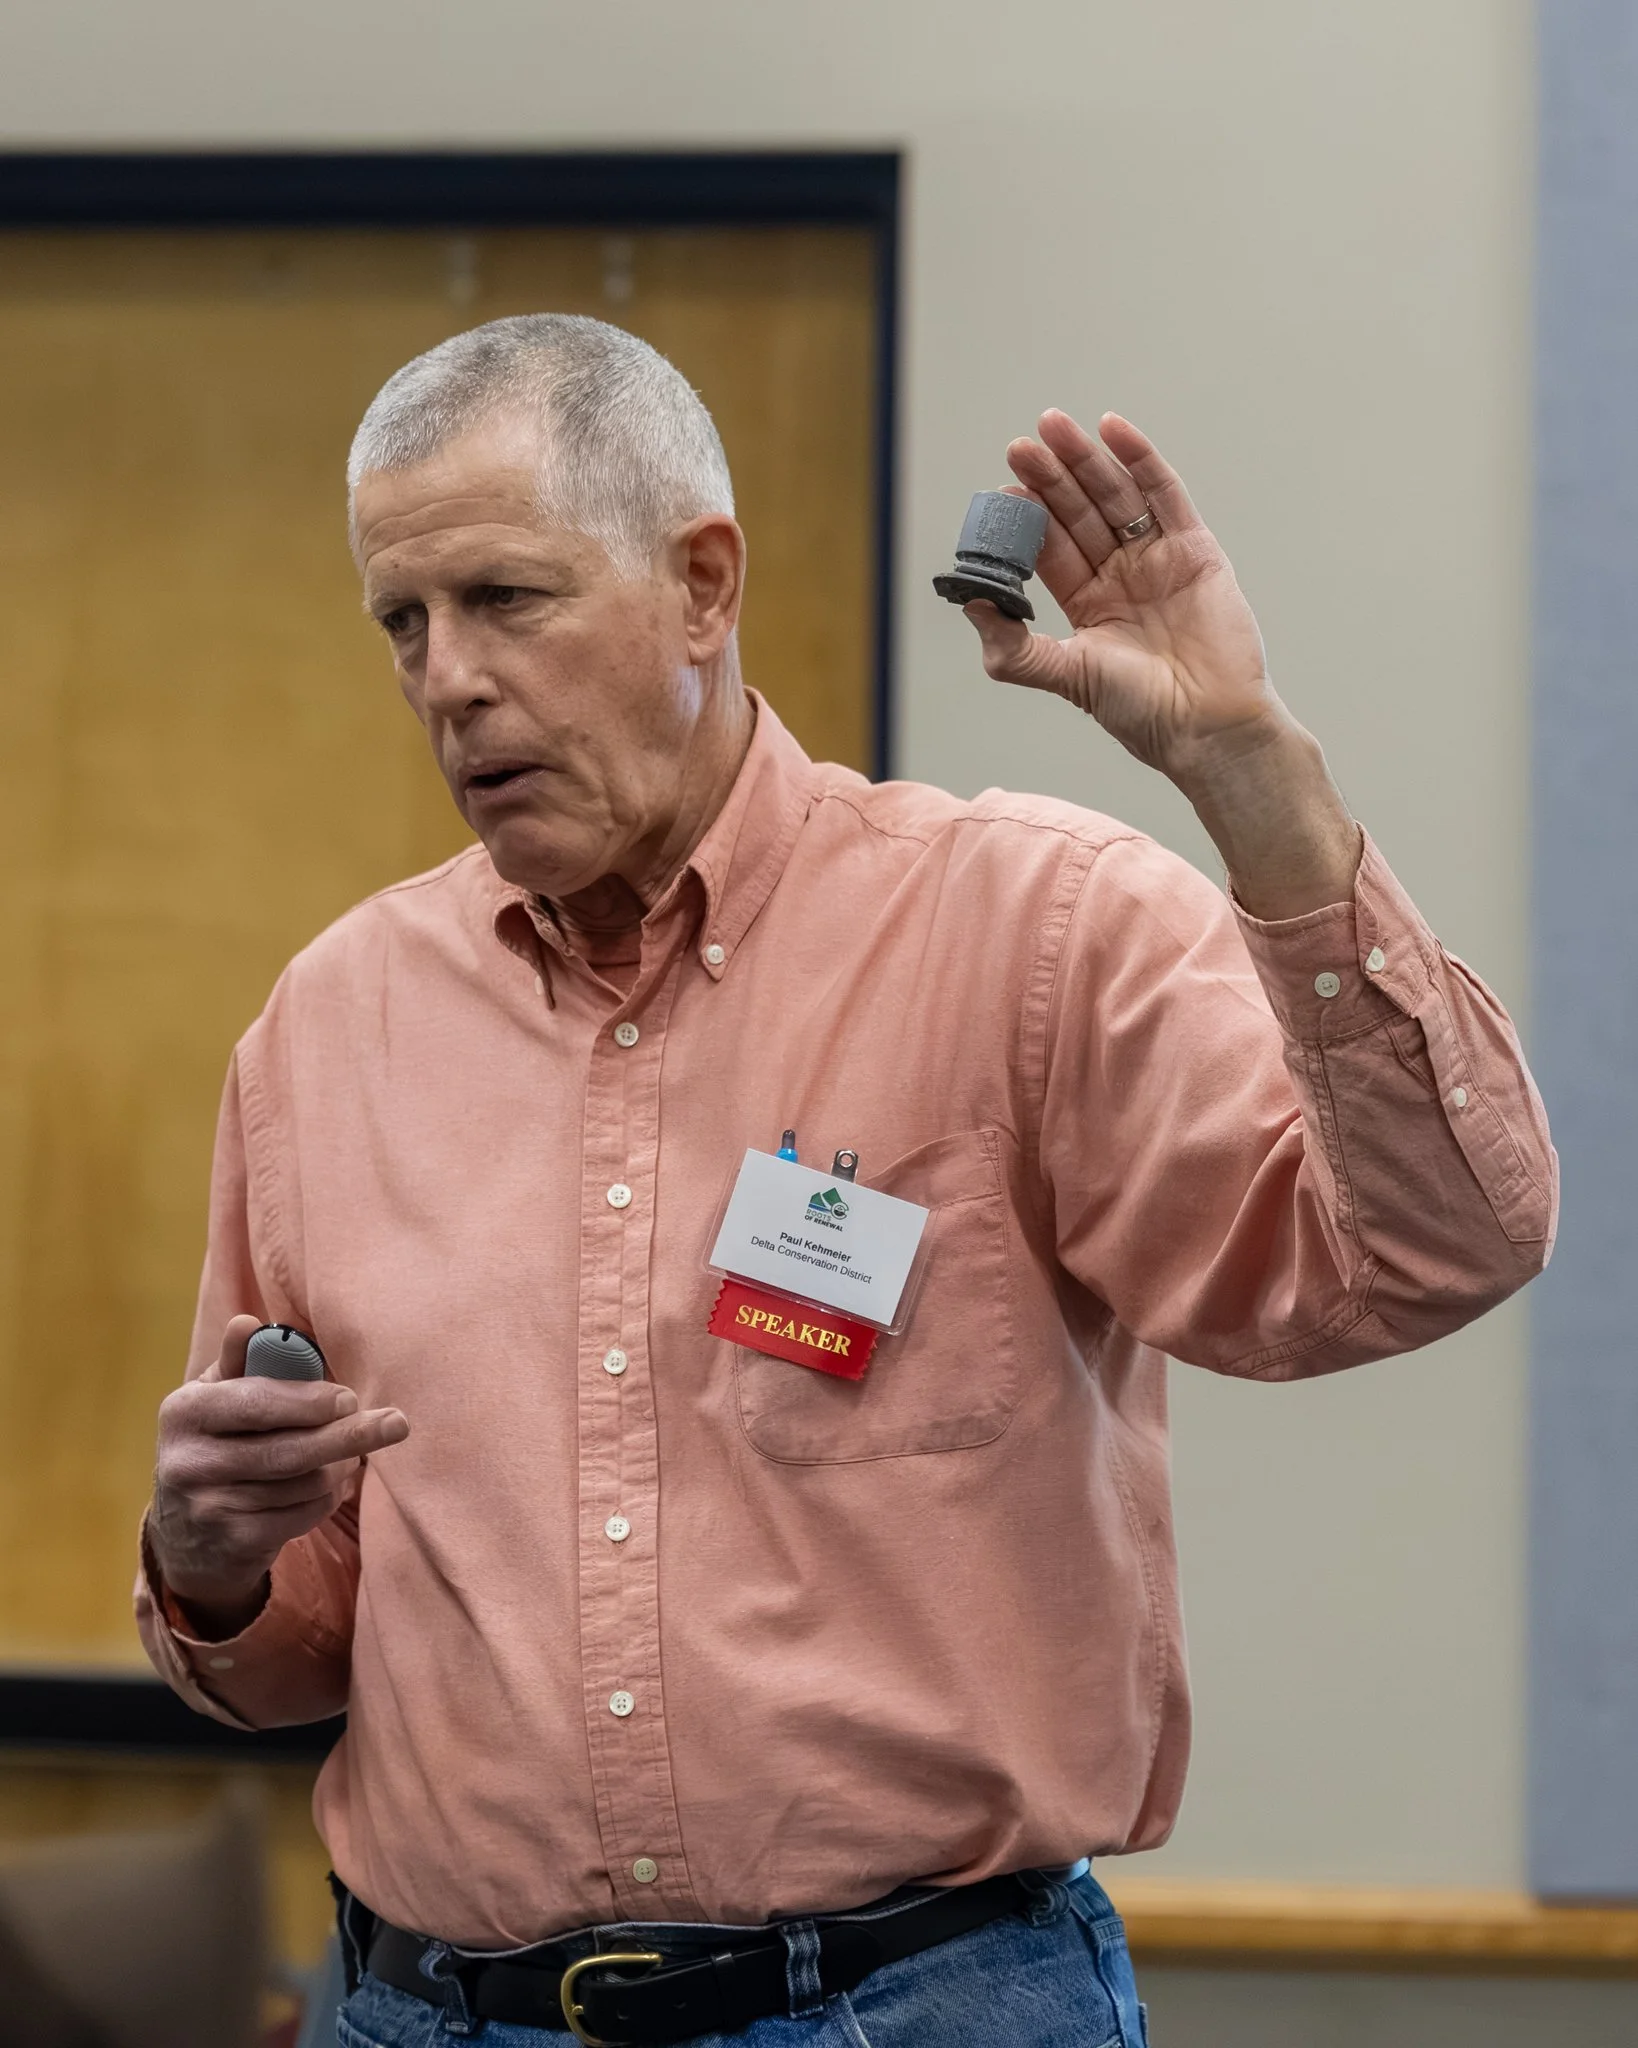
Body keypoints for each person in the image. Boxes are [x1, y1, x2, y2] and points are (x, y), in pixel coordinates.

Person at [137, 315, 1555, 2048]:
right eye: (401, 623)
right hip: (428, 2010)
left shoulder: (1024, 934)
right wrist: (207, 1560)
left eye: (504, 601)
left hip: (920, 2005)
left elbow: (1434, 1249)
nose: (447, 677)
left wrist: (1246, 767)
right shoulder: (327, 1030)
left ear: (702, 584)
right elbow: (291, 1646)